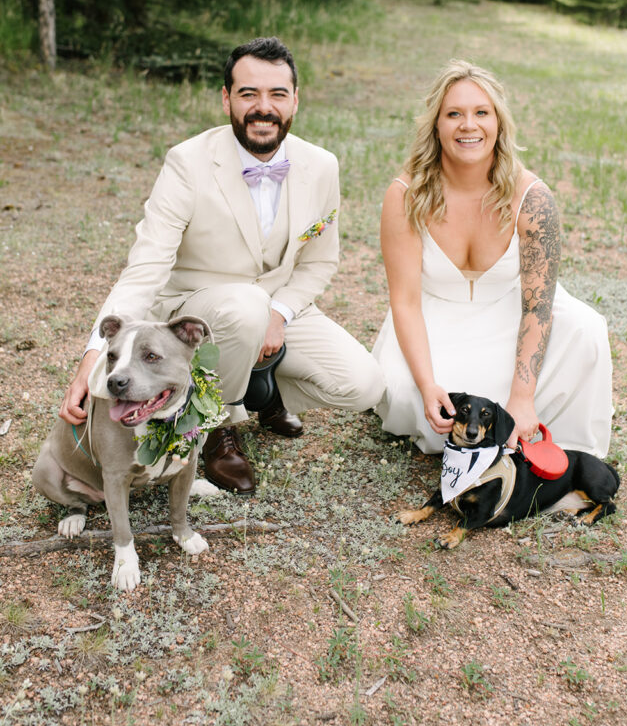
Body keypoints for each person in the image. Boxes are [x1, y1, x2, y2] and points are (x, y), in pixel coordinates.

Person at [60, 36, 385, 493]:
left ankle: (261, 392)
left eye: (277, 94)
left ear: (295, 99)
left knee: (363, 385)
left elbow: (319, 260)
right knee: (245, 307)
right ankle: (214, 428)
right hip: (198, 308)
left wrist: (281, 313)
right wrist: (93, 355)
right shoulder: (188, 162)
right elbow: (146, 266)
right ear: (227, 98)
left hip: (276, 309)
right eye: (248, 93)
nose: (262, 107)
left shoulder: (323, 166)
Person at [372, 59, 612, 456]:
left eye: (481, 113)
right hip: (434, 321)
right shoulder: (405, 194)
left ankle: (541, 432)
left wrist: (521, 395)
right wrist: (429, 383)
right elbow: (405, 301)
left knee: (587, 330)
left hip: (510, 315)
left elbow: (538, 308)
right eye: (454, 114)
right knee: (404, 395)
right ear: (436, 125)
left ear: (498, 122)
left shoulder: (533, 197)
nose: (469, 125)